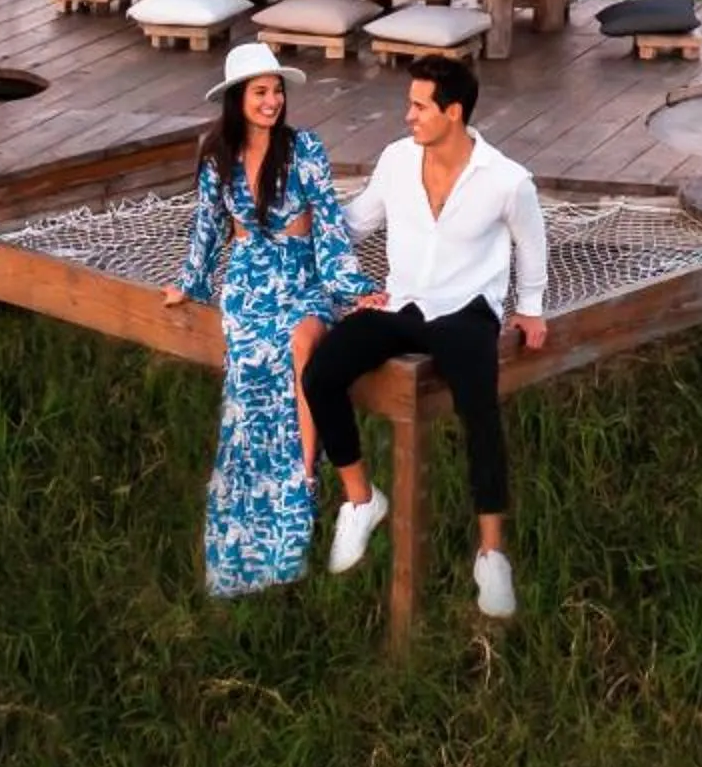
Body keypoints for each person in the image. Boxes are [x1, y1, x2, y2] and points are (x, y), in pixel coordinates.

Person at [302, 54, 546, 621]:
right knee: (321, 372)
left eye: (419, 105)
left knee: (479, 414)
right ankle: (361, 500)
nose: (407, 115)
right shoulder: (395, 160)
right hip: (401, 304)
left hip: (466, 313)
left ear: (453, 113)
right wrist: (300, 220)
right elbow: (357, 220)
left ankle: (491, 554)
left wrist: (530, 309)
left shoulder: (507, 180)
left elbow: (533, 246)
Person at [165, 41, 374, 597]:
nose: (273, 101)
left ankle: (304, 478)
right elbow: (207, 229)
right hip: (248, 284)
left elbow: (328, 224)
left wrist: (354, 291)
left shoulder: (304, 148)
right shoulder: (217, 157)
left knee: (305, 344)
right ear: (238, 99)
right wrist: (189, 284)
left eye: (276, 91)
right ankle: (249, 554)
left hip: (303, 278)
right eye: (261, 92)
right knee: (252, 398)